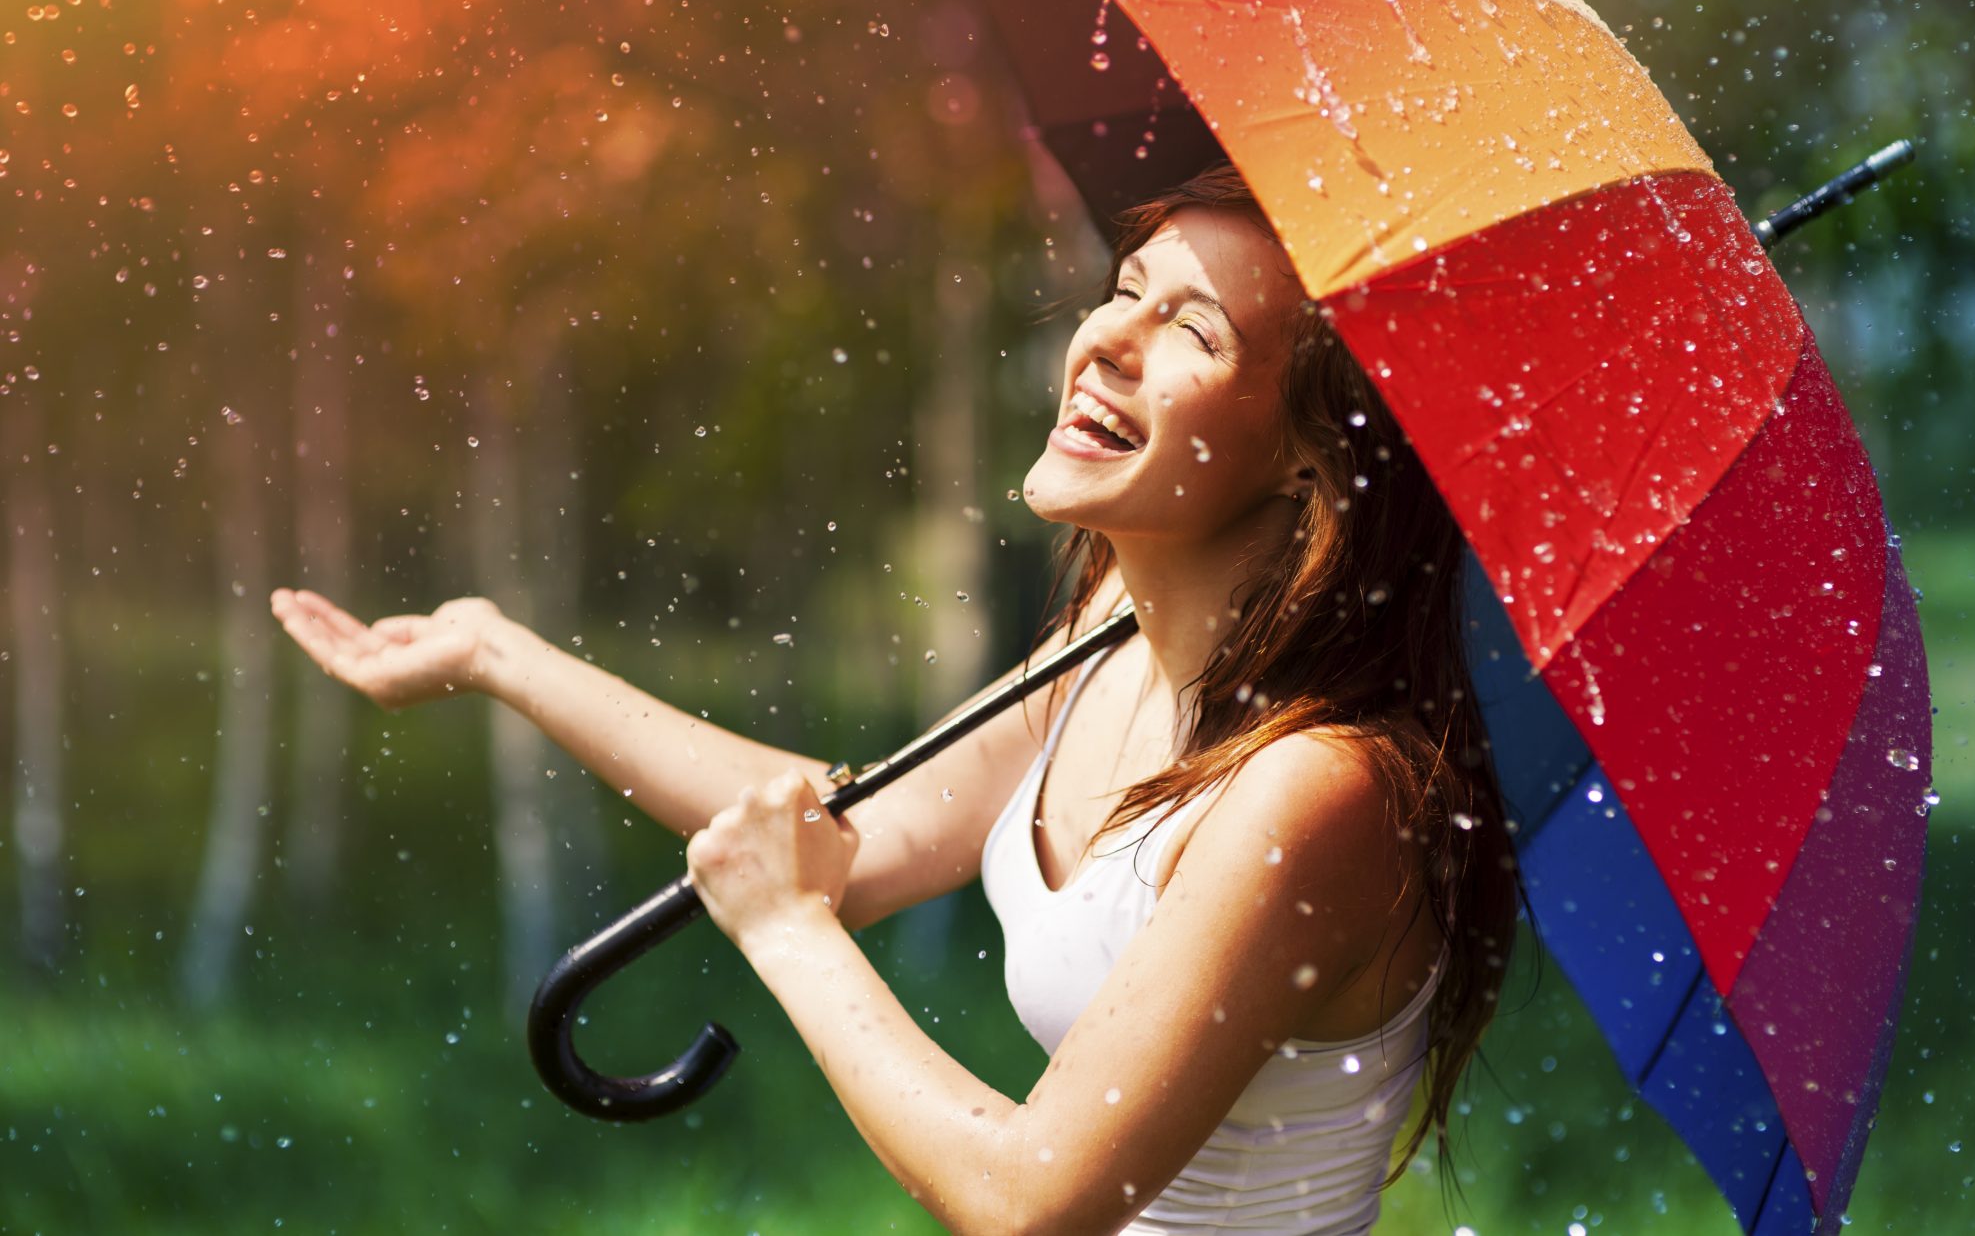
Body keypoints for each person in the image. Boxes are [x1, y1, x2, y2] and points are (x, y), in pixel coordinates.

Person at [271, 159, 1524, 1234]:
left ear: (1311, 456)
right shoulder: (1105, 645)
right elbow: (856, 837)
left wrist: (787, 931)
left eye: (1194, 332)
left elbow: (1029, 1200)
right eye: (1126, 288)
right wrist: (501, 656)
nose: (1108, 342)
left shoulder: (1318, 791)